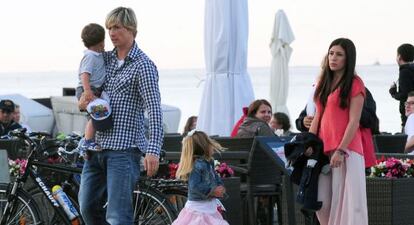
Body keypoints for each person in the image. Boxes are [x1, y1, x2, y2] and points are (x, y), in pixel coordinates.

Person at [78, 7, 164, 225]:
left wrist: (152, 150)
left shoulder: (144, 65)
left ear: (131, 29)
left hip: (123, 151)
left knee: (117, 216)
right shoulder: (102, 59)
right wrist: (81, 100)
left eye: (117, 27)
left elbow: (154, 109)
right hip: (95, 149)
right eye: (109, 28)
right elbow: (84, 85)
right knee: (87, 209)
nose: (111, 33)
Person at [309, 38, 368, 225]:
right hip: (323, 150)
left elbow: (354, 121)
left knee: (351, 205)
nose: (333, 58)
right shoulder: (323, 82)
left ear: (348, 58)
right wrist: (309, 143)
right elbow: (318, 116)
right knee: (322, 202)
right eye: (331, 53)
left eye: (339, 54)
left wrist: (341, 150)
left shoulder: (355, 83)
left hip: (347, 150)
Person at [173, 130, 229, 225]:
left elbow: (215, 177)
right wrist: (212, 191)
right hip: (199, 210)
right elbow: (195, 186)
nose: (212, 146)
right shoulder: (197, 165)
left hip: (208, 207)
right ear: (204, 146)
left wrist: (219, 186)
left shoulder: (208, 162)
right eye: (210, 143)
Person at [76, 23, 106, 152]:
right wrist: (87, 90)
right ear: (101, 42)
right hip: (88, 89)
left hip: (94, 89)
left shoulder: (97, 55)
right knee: (95, 117)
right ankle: (87, 142)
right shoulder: (90, 56)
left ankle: (88, 142)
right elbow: (84, 74)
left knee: (96, 116)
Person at [389, 43, 414, 128]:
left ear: (399, 56)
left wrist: (393, 92)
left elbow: (405, 95)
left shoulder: (404, 72)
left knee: (408, 136)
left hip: (409, 114)